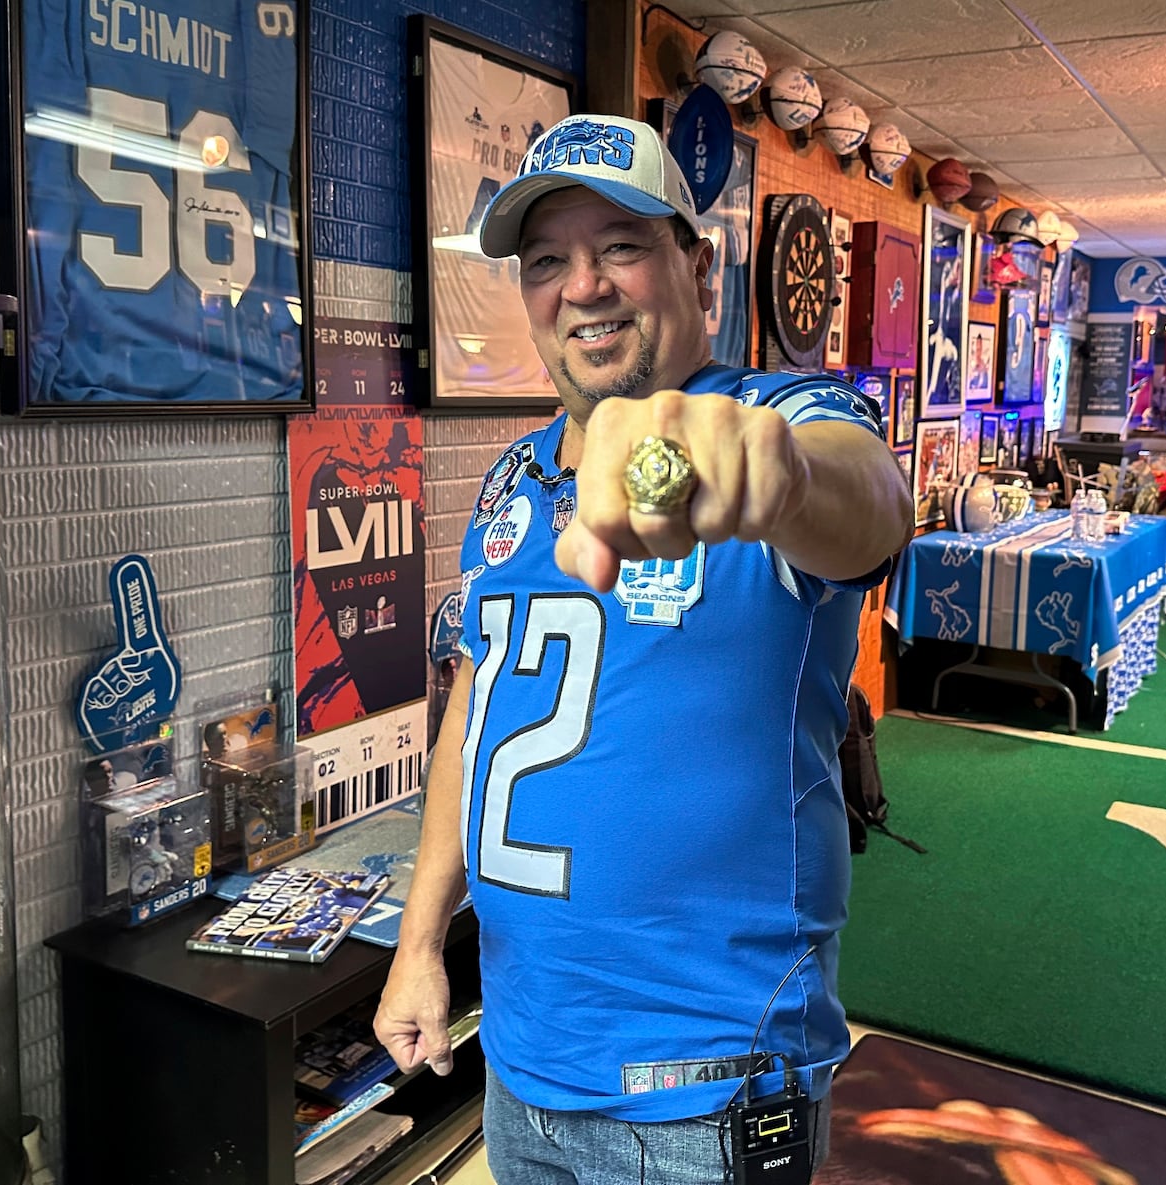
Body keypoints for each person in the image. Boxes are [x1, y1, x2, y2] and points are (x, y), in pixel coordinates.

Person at [373, 113, 913, 1185]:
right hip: (524, 1062)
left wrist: (781, 477)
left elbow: (868, 501)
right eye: (547, 262)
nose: (584, 286)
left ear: (695, 265)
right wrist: (419, 944)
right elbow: (475, 719)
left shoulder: (778, 416)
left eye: (620, 246)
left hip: (705, 1087)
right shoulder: (510, 481)